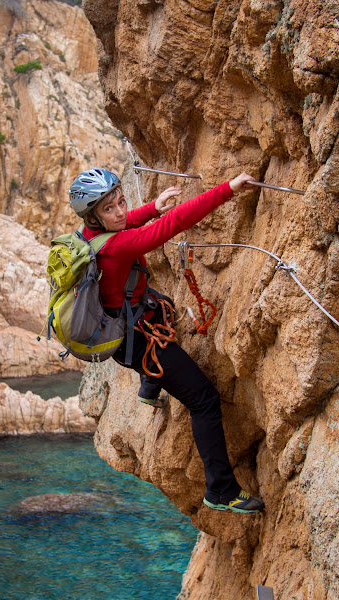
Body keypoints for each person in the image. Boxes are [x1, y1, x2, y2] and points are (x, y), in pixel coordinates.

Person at [68, 167, 265, 514]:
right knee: (204, 399)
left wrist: (151, 207)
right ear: (94, 218)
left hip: (128, 321)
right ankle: (221, 489)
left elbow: (130, 222)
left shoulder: (90, 235)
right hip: (141, 343)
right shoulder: (120, 246)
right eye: (110, 209)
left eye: (121, 202)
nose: (120, 212)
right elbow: (174, 224)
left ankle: (149, 387)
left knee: (163, 304)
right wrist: (228, 189)